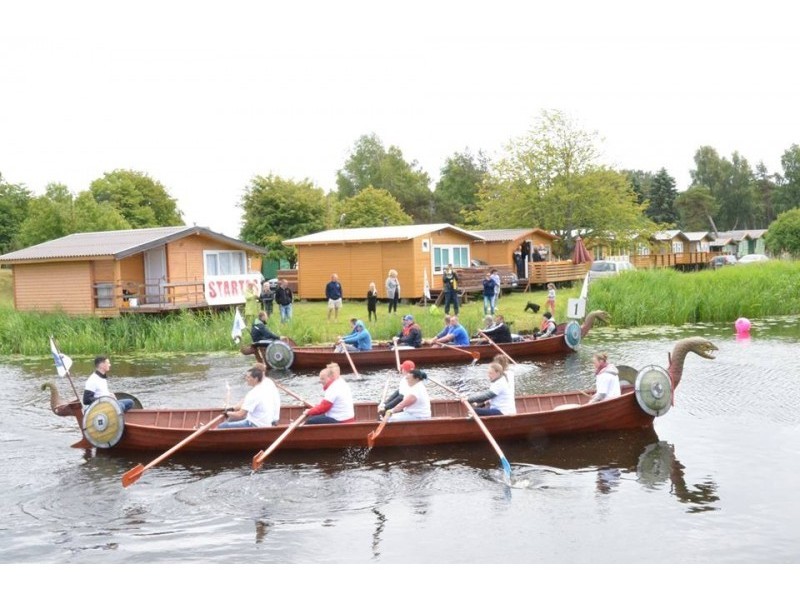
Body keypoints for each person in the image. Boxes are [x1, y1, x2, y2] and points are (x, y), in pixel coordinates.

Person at [218, 364, 280, 428]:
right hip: (267, 420)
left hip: (258, 424)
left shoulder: (254, 393)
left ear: (256, 378)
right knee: (233, 418)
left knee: (222, 426)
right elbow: (244, 403)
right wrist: (232, 409)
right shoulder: (264, 386)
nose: (246, 379)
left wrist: (227, 413)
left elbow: (240, 414)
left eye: (248, 377)